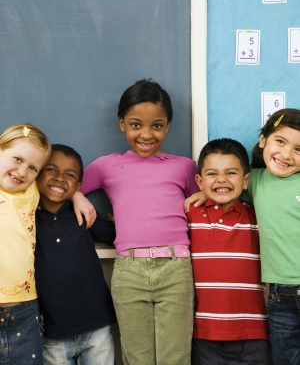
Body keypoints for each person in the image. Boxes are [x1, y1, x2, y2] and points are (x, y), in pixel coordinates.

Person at [75, 79, 199, 365]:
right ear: (122, 124)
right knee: (136, 357)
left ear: (168, 126)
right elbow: (66, 186)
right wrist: (78, 198)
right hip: (129, 271)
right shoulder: (108, 165)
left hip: (176, 268)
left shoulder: (184, 167)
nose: (146, 134)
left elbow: (199, 208)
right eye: (135, 124)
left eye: (157, 125)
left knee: (175, 357)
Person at [185, 108, 300, 365]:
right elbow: (224, 185)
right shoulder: (193, 212)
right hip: (212, 331)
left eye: (298, 149)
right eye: (280, 142)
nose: (286, 153)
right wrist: (206, 190)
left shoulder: (259, 200)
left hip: (256, 330)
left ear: (245, 179)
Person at [187, 138, 268, 365]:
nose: (221, 179)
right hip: (203, 335)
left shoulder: (259, 215)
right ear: (199, 181)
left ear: (246, 181)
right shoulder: (189, 215)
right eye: (212, 174)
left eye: (231, 173)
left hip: (252, 335)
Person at [34, 144, 116, 365]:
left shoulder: (83, 212)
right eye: (51, 170)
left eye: (69, 175)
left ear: (78, 185)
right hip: (52, 332)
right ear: (37, 172)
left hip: (97, 324)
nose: (60, 178)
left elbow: (114, 236)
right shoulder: (27, 216)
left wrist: (79, 198)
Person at [0, 123, 52, 365]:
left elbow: (60, 184)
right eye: (17, 159)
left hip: (25, 309)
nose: (22, 171)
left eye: (33, 168)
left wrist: (78, 196)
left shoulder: (31, 191)